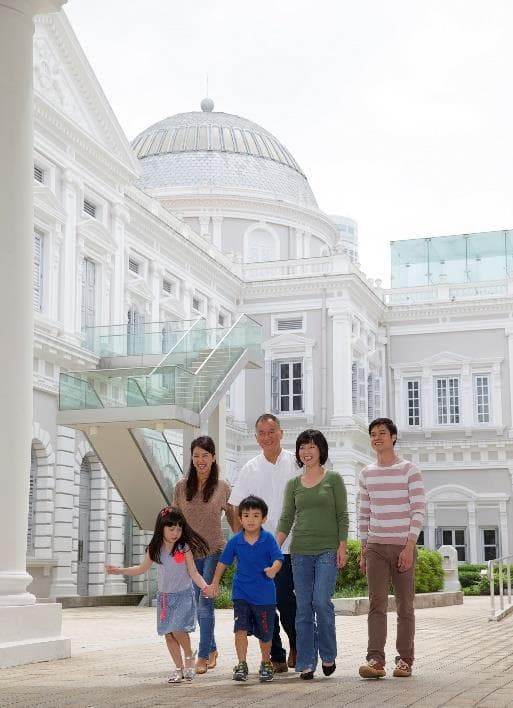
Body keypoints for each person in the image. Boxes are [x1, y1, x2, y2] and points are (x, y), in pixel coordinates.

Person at [106, 506, 209, 684]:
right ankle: (178, 670)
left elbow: (193, 572)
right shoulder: (154, 548)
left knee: (177, 629)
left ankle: (189, 653)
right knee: (168, 634)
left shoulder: (184, 548)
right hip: (165, 598)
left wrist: (205, 586)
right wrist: (119, 571)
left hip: (183, 595)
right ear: (161, 527)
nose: (176, 532)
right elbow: (141, 569)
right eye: (171, 528)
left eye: (179, 528)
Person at [277, 429, 349, 680]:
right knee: (303, 608)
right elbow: (286, 518)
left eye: (311, 447)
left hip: (328, 550)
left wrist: (342, 546)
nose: (306, 452)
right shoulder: (293, 484)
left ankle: (328, 654)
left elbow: (342, 515)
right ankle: (307, 661)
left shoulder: (334, 479)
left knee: (321, 601)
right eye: (302, 447)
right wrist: (274, 548)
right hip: (300, 553)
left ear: (321, 450)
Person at [228, 413, 298, 673]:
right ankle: (276, 655)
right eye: (262, 433)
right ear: (256, 437)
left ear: (281, 432)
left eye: (271, 431)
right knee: (265, 605)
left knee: (287, 602)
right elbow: (235, 507)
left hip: (292, 547)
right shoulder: (250, 468)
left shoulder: (296, 463)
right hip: (260, 552)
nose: (267, 437)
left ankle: (297, 644)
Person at [358, 417, 425, 680]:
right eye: (373, 434)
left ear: (393, 437)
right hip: (375, 546)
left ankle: (405, 659)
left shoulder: (409, 470)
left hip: (402, 546)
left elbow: (418, 510)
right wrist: (364, 550)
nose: (377, 437)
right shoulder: (366, 473)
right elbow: (364, 514)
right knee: (376, 604)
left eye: (382, 433)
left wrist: (409, 547)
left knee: (405, 605)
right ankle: (375, 659)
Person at [173, 435, 234, 674]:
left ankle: (204, 654)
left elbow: (233, 518)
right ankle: (213, 648)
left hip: (214, 550)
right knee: (198, 605)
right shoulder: (180, 486)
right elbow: (174, 521)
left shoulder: (222, 486)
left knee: (205, 602)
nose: (200, 460)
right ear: (191, 457)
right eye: (196, 455)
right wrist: (174, 552)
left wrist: (243, 547)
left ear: (213, 458)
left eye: (205, 456)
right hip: (189, 553)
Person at [206, 495, 283, 683]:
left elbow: (278, 559)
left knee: (265, 633)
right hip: (241, 594)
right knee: (240, 628)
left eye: (256, 516)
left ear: (263, 519)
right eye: (246, 515)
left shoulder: (268, 539)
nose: (250, 519)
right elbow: (223, 562)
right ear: (240, 518)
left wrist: (273, 569)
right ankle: (241, 663)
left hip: (265, 596)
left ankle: (266, 662)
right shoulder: (235, 541)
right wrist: (214, 582)